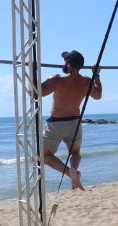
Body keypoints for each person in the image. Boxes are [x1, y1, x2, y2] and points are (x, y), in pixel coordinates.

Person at [41, 50, 102, 190]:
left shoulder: (57, 80)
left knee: (44, 156)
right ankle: (74, 167)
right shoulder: (87, 81)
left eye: (65, 61)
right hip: (75, 122)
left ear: (68, 64)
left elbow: (35, 93)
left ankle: (70, 172)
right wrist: (96, 75)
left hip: (56, 123)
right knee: (75, 152)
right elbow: (98, 95)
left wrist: (32, 72)